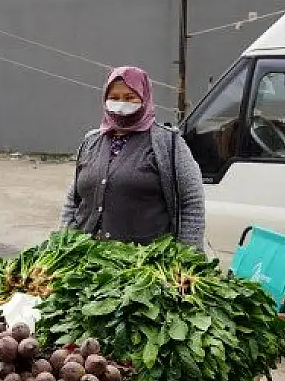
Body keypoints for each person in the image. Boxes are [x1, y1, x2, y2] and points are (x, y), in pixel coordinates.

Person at [60, 66, 205, 248]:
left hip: (143, 265)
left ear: (144, 98)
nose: (121, 105)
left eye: (129, 98)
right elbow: (73, 200)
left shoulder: (168, 143)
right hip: (88, 262)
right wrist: (66, 242)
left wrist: (186, 256)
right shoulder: (91, 141)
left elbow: (191, 202)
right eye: (114, 98)